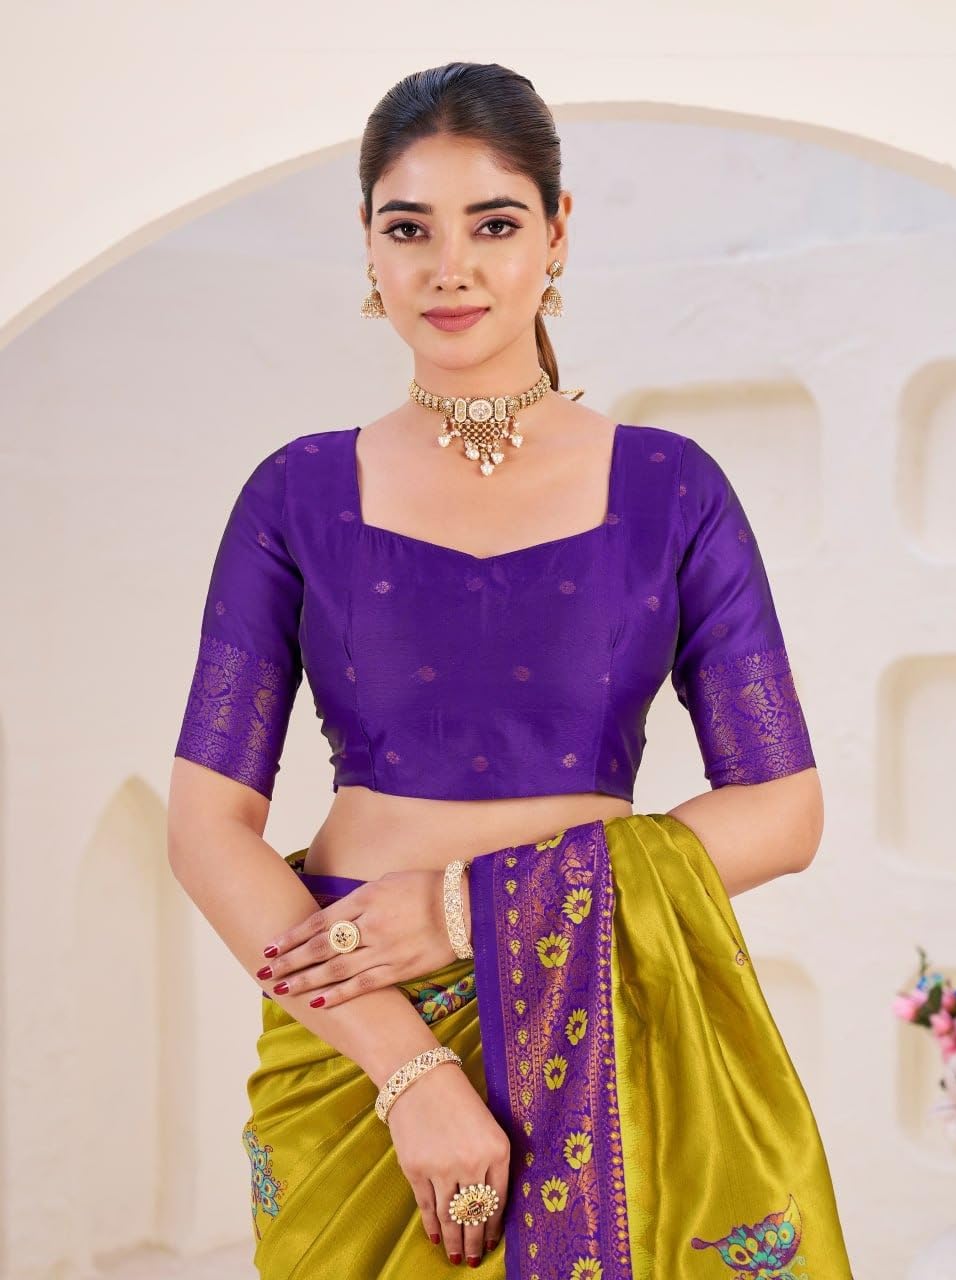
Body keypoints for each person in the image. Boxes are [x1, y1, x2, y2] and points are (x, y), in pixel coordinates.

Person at [167, 61, 853, 1278]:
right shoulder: (296, 494)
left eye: (493, 224)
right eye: (408, 229)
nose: (451, 268)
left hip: (607, 1020)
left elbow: (783, 807)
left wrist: (463, 908)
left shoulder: (671, 489)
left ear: (557, 231)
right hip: (358, 1037)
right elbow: (206, 827)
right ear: (368, 246)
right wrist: (409, 1068)